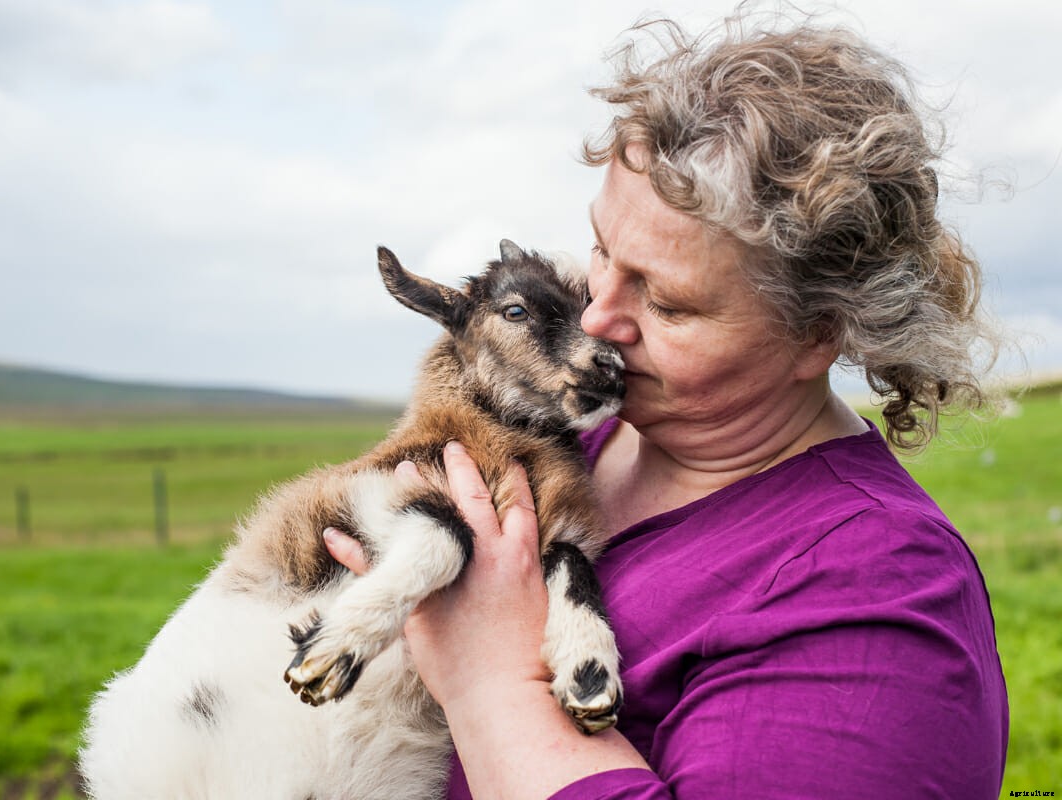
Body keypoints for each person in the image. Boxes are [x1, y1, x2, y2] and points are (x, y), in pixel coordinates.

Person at [325, 11, 1009, 799]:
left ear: (817, 332)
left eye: (670, 304)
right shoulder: (570, 433)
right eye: (603, 253)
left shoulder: (879, 602)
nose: (596, 321)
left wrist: (490, 686)